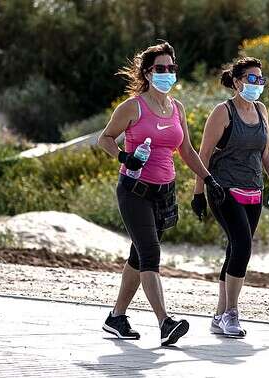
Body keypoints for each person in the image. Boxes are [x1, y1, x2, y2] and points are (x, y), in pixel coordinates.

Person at [97, 41, 225, 346]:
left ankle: (116, 318)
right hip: (134, 191)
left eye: (171, 68)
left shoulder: (176, 107)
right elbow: (105, 139)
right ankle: (165, 323)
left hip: (164, 192)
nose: (167, 73)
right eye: (160, 69)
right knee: (150, 255)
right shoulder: (132, 107)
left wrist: (209, 180)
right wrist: (123, 157)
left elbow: (187, 150)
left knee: (138, 256)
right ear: (148, 72)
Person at [191, 57, 269, 337]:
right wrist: (198, 193)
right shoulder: (222, 112)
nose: (256, 84)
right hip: (222, 189)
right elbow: (203, 154)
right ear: (237, 82)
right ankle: (231, 314)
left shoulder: (262, 111)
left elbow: (267, 153)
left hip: (254, 190)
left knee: (234, 250)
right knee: (243, 246)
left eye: (260, 80)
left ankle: (218, 315)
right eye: (251, 79)